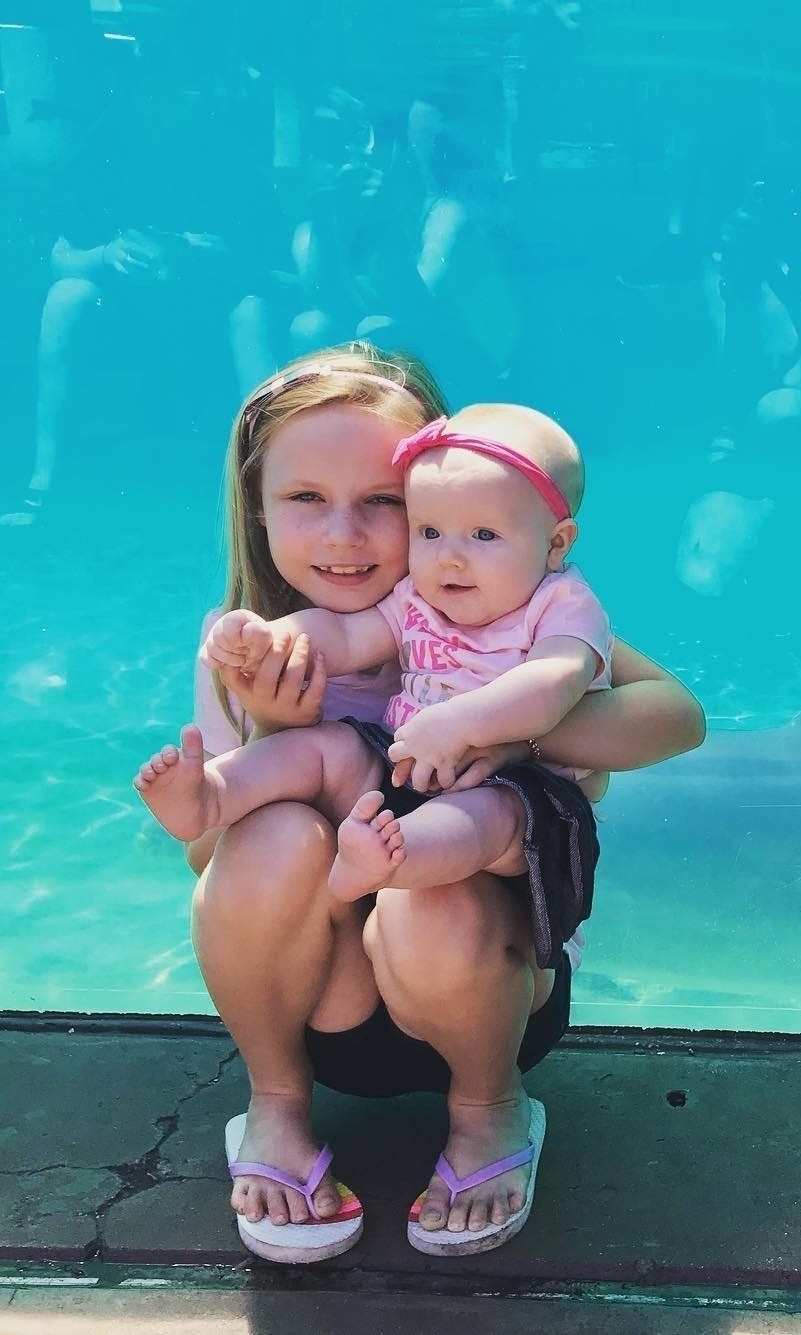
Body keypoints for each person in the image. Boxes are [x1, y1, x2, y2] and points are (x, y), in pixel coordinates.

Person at [169, 345, 704, 1260]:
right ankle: (277, 1102)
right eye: (306, 498)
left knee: (432, 892)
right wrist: (272, 731)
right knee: (272, 830)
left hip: (484, 990)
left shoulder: (502, 609)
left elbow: (678, 718)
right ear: (256, 508)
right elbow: (206, 860)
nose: (344, 534)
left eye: (382, 500)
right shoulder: (245, 649)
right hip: (323, 1001)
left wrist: (508, 729)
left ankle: (491, 1109)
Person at [138, 400, 610, 922]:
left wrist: (460, 724)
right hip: (402, 763)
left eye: (484, 535)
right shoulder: (420, 596)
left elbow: (552, 682)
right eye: (429, 532)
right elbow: (344, 635)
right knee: (324, 747)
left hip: (516, 782)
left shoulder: (562, 605)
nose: (449, 557)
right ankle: (213, 796)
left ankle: (393, 861)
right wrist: (273, 638)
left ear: (556, 543)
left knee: (486, 817)